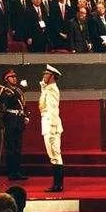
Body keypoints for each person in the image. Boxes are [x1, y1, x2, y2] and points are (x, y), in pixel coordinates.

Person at [0, 69, 29, 179]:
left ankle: (17, 171)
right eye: (11, 77)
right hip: (10, 119)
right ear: (6, 79)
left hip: (18, 120)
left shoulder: (18, 90)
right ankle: (11, 172)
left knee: (18, 147)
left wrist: (25, 116)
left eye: (15, 76)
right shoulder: (5, 91)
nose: (14, 78)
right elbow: (6, 103)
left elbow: (23, 105)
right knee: (10, 147)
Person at [39, 64, 64, 192]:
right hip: (48, 123)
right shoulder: (48, 88)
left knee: (55, 154)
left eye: (46, 74)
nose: (44, 76)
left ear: (52, 76)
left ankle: (58, 185)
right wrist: (43, 85)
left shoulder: (52, 89)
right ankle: (57, 184)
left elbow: (53, 109)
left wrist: (53, 126)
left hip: (51, 124)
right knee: (53, 155)